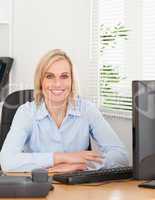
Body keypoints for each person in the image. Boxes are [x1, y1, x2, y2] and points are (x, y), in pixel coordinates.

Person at [0, 49, 129, 172]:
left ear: (72, 81)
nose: (57, 84)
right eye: (50, 76)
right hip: (37, 185)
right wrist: (62, 158)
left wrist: (82, 165)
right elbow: (7, 161)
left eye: (64, 76)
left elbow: (121, 156)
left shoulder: (87, 110)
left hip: (77, 188)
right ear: (40, 81)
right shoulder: (26, 112)